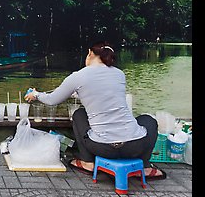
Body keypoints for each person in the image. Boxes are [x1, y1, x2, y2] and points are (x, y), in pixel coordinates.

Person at [24, 41, 166, 180]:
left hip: (102, 148)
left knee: (79, 114)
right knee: (149, 121)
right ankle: (146, 167)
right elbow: (103, 94)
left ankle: (87, 162)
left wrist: (36, 94)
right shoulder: (119, 74)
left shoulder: (78, 76)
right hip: (134, 146)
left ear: (90, 54)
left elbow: (52, 100)